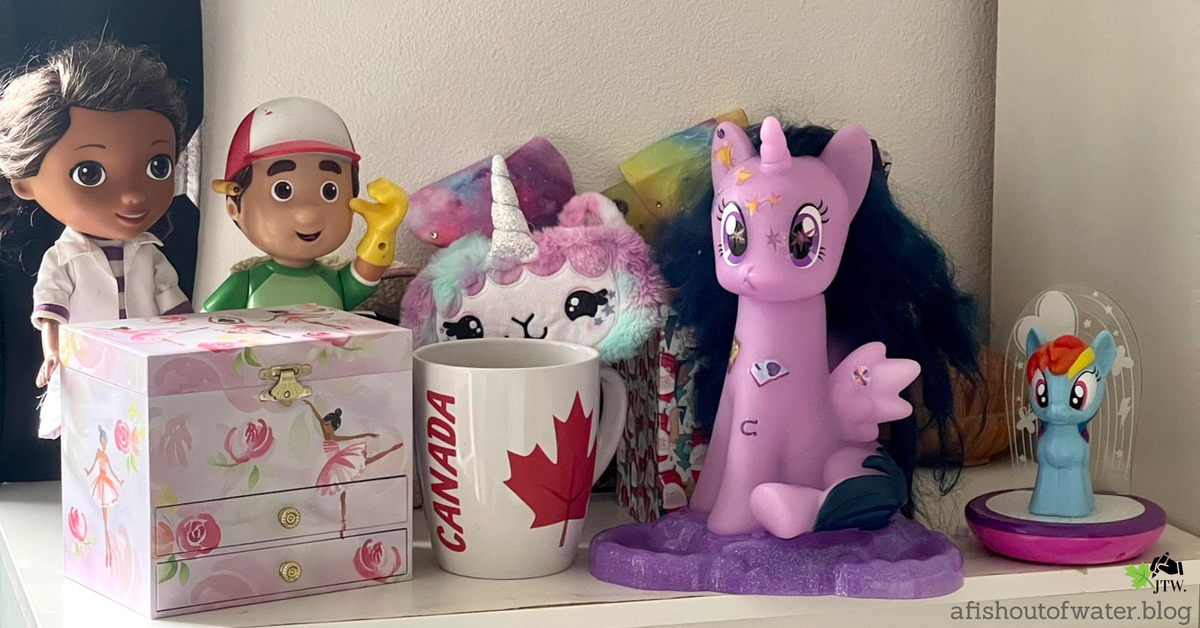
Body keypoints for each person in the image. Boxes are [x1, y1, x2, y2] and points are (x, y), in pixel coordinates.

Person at [0, 40, 194, 439]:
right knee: (93, 436)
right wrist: (53, 353)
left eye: (158, 166)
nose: (133, 196)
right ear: (25, 183)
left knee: (149, 433)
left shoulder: (150, 254)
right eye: (89, 173)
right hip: (89, 366)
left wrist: (193, 341)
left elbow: (173, 304)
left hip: (149, 365)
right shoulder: (63, 259)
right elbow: (50, 310)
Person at [203, 97, 407, 312]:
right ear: (234, 207)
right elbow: (202, 323)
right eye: (283, 191)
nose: (308, 214)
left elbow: (366, 276)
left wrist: (381, 233)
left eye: (330, 192)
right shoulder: (246, 284)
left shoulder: (335, 282)